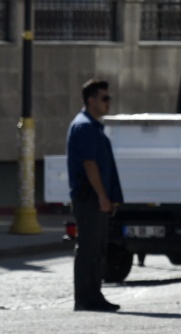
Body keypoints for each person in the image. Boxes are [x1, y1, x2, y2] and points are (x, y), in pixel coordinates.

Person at [65, 78, 123, 313]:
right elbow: (89, 164)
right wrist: (102, 195)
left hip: (94, 197)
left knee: (97, 248)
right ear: (91, 100)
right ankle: (85, 298)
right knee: (89, 248)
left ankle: (94, 294)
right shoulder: (85, 126)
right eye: (104, 98)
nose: (109, 102)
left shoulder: (92, 125)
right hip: (89, 197)